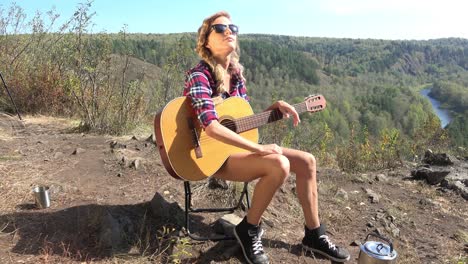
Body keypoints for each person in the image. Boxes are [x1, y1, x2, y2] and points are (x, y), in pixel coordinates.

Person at [183, 11, 350, 264]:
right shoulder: (200, 74)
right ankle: (248, 229)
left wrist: (273, 110)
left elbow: (240, 122)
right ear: (206, 41)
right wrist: (259, 149)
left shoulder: (236, 76)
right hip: (210, 156)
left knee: (307, 161)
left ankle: (314, 235)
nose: (229, 31)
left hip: (236, 150)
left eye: (232, 28)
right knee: (279, 163)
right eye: (220, 28)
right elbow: (212, 127)